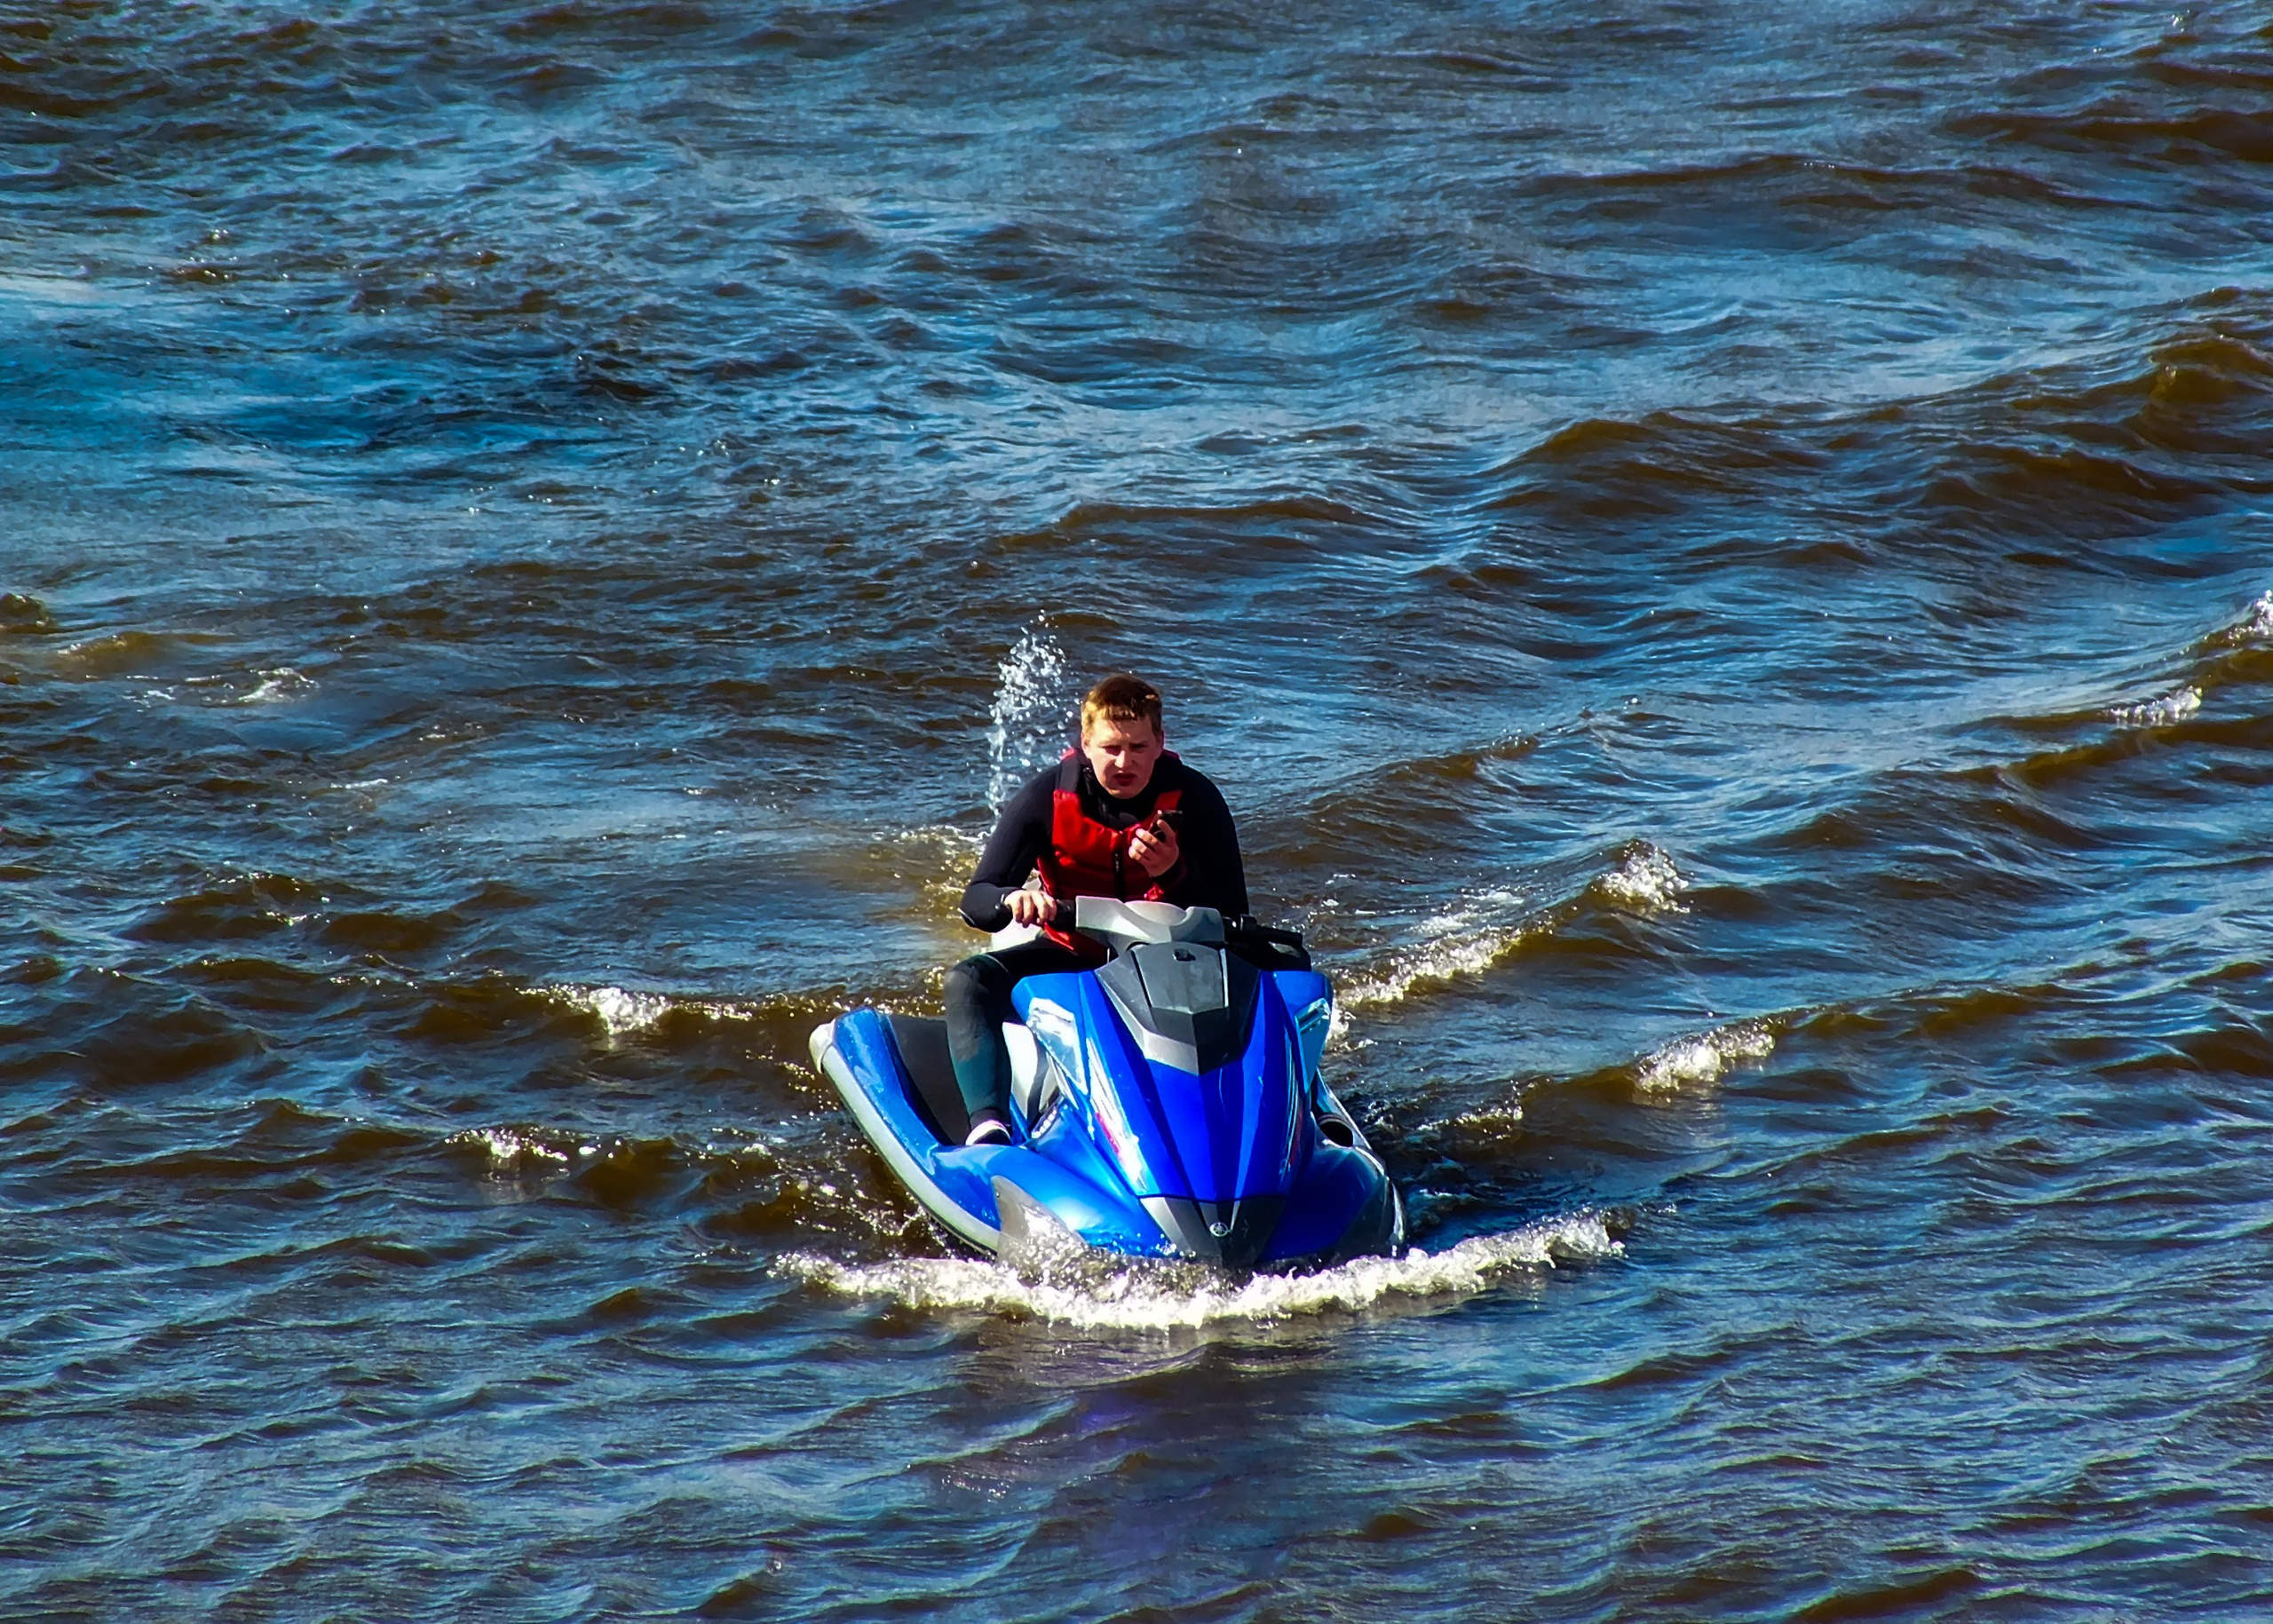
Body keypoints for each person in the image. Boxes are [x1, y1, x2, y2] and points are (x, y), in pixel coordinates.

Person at [946, 672, 1248, 1145]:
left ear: (1161, 742)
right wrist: (1013, 899)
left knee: (1288, 969)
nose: (1124, 762)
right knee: (969, 980)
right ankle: (989, 1125)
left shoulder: (1197, 799)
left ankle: (1306, 1106)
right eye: (1110, 748)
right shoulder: (1044, 798)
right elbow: (977, 898)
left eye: (1139, 748)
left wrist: (1172, 874)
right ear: (1085, 742)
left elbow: (1235, 914)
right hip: (1075, 953)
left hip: (1171, 962)